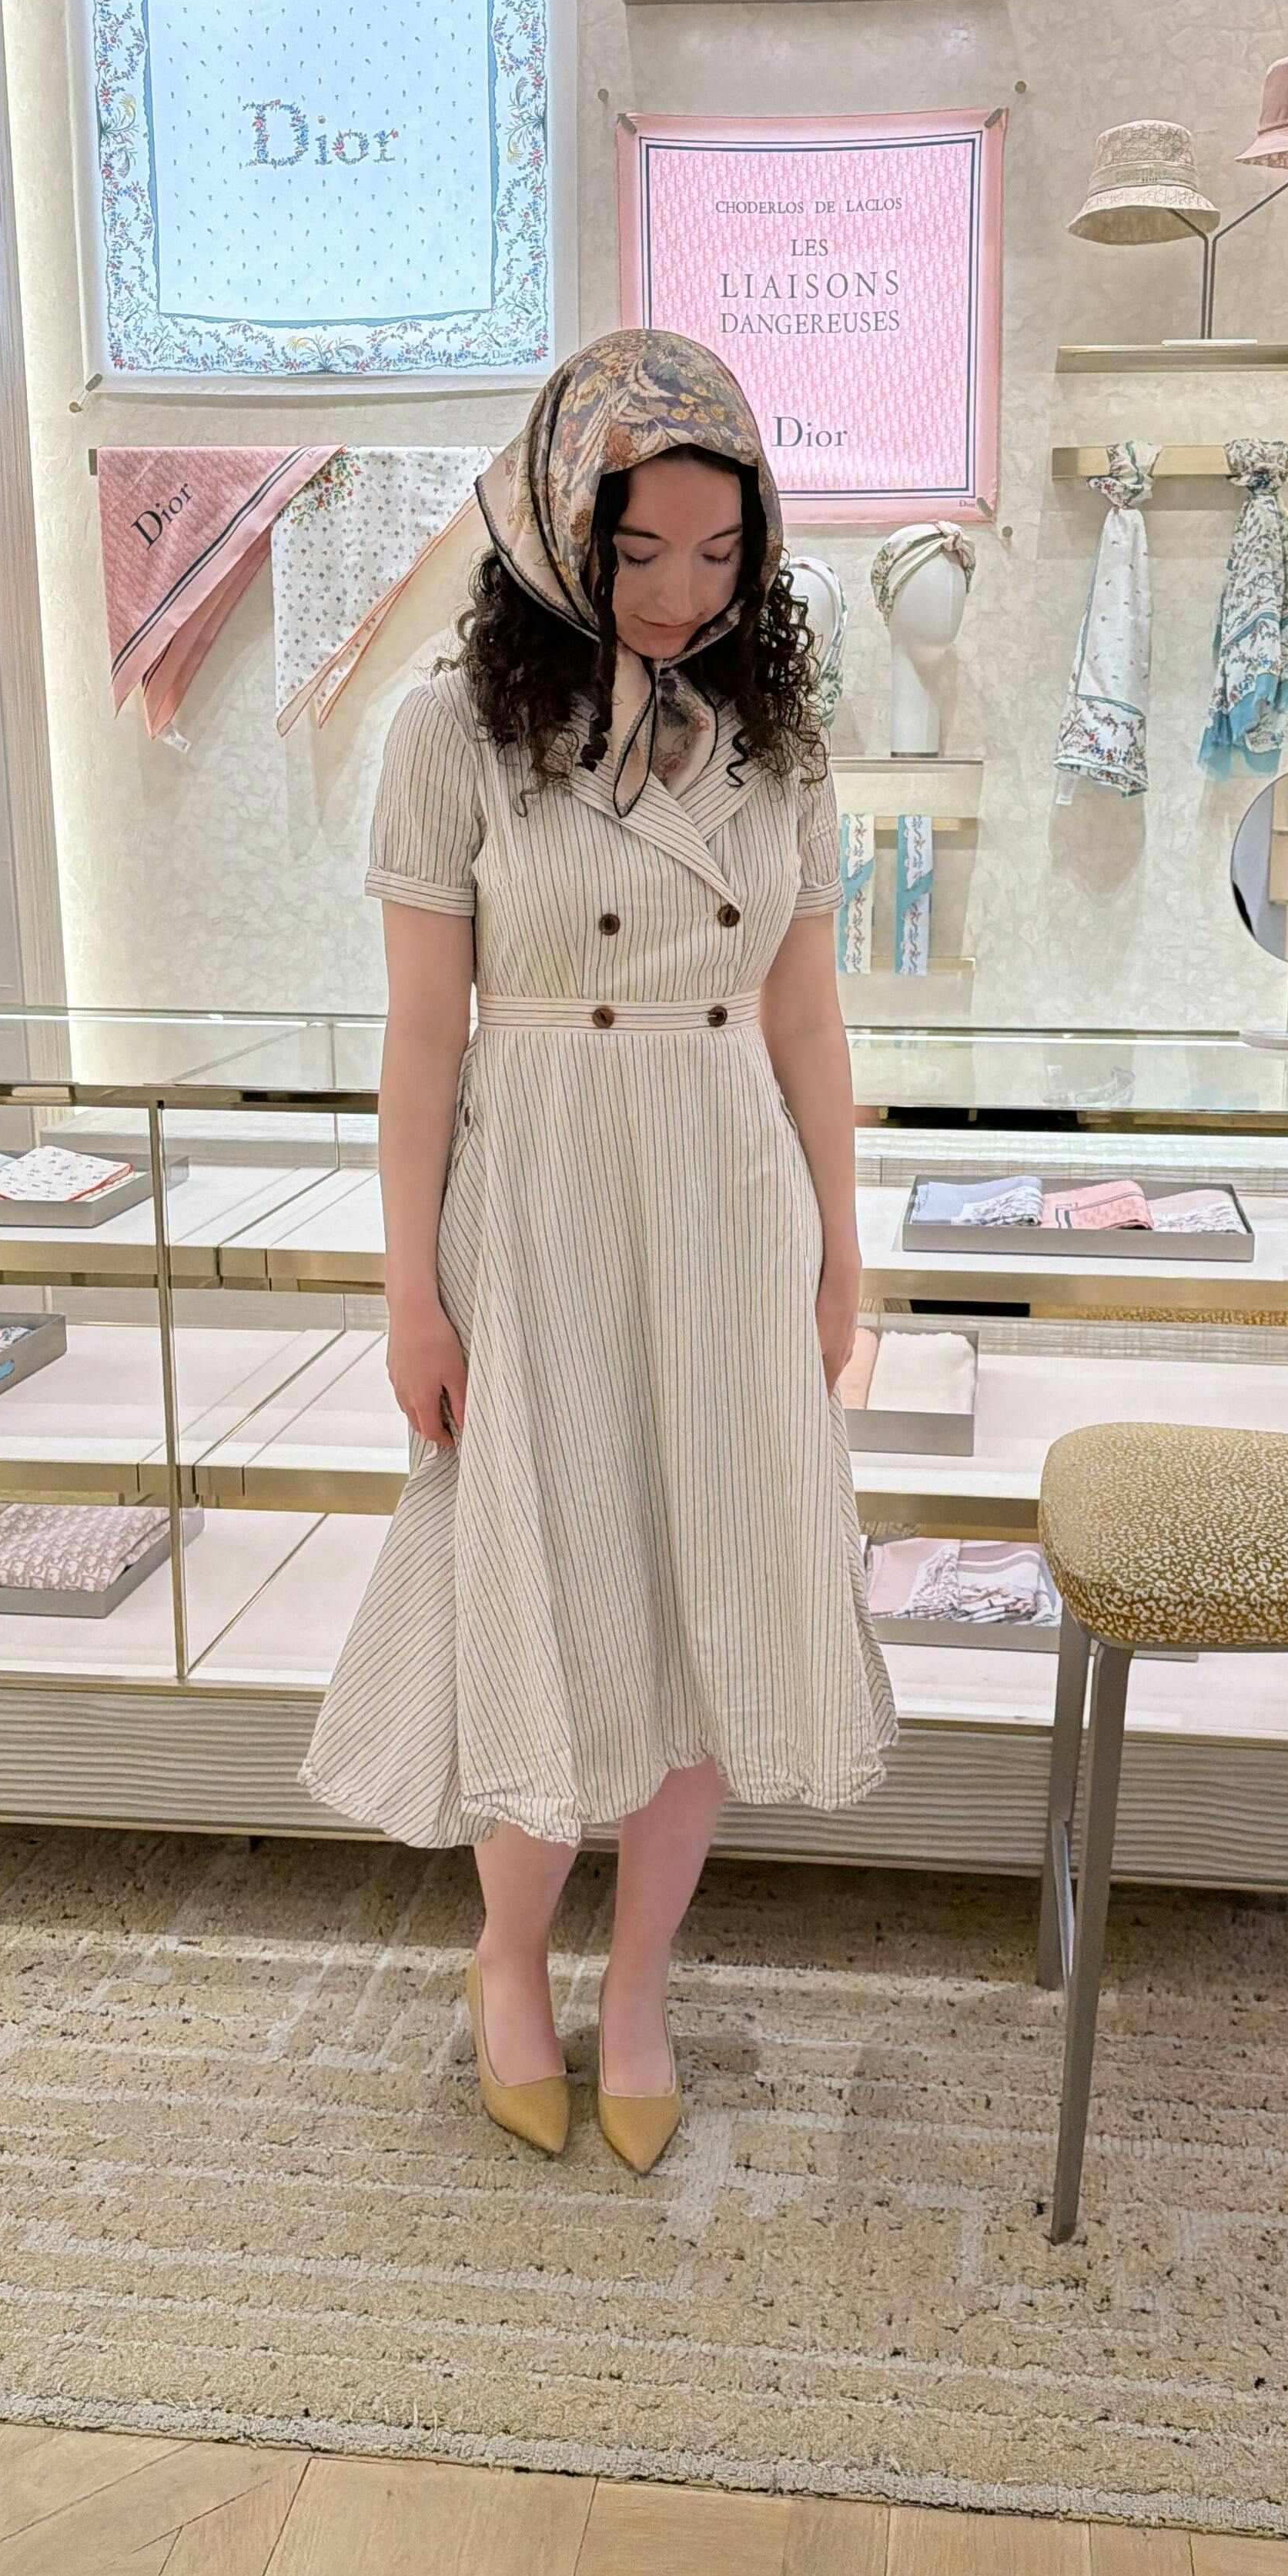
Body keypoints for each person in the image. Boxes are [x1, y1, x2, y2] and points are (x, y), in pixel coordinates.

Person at [301, 329, 895, 2174]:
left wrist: (844, 1253)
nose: (680, 595)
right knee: (545, 1585)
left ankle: (638, 1988)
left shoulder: (778, 739)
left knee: (717, 1587)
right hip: (542, 1190)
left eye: (722, 557)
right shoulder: (450, 735)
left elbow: (806, 1016)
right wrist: (410, 1291)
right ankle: (508, 1960)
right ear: (561, 526)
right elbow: (423, 1037)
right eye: (641, 552)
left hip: (724, 1192)